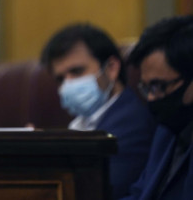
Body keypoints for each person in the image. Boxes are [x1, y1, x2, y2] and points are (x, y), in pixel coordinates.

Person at [40, 23, 156, 199]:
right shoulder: (83, 122)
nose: (68, 84)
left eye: (77, 71)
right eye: (60, 78)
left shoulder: (132, 124)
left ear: (111, 68)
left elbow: (97, 193)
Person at [120, 15, 193, 200]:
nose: (152, 98)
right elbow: (139, 194)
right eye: (146, 88)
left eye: (159, 86)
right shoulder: (167, 131)